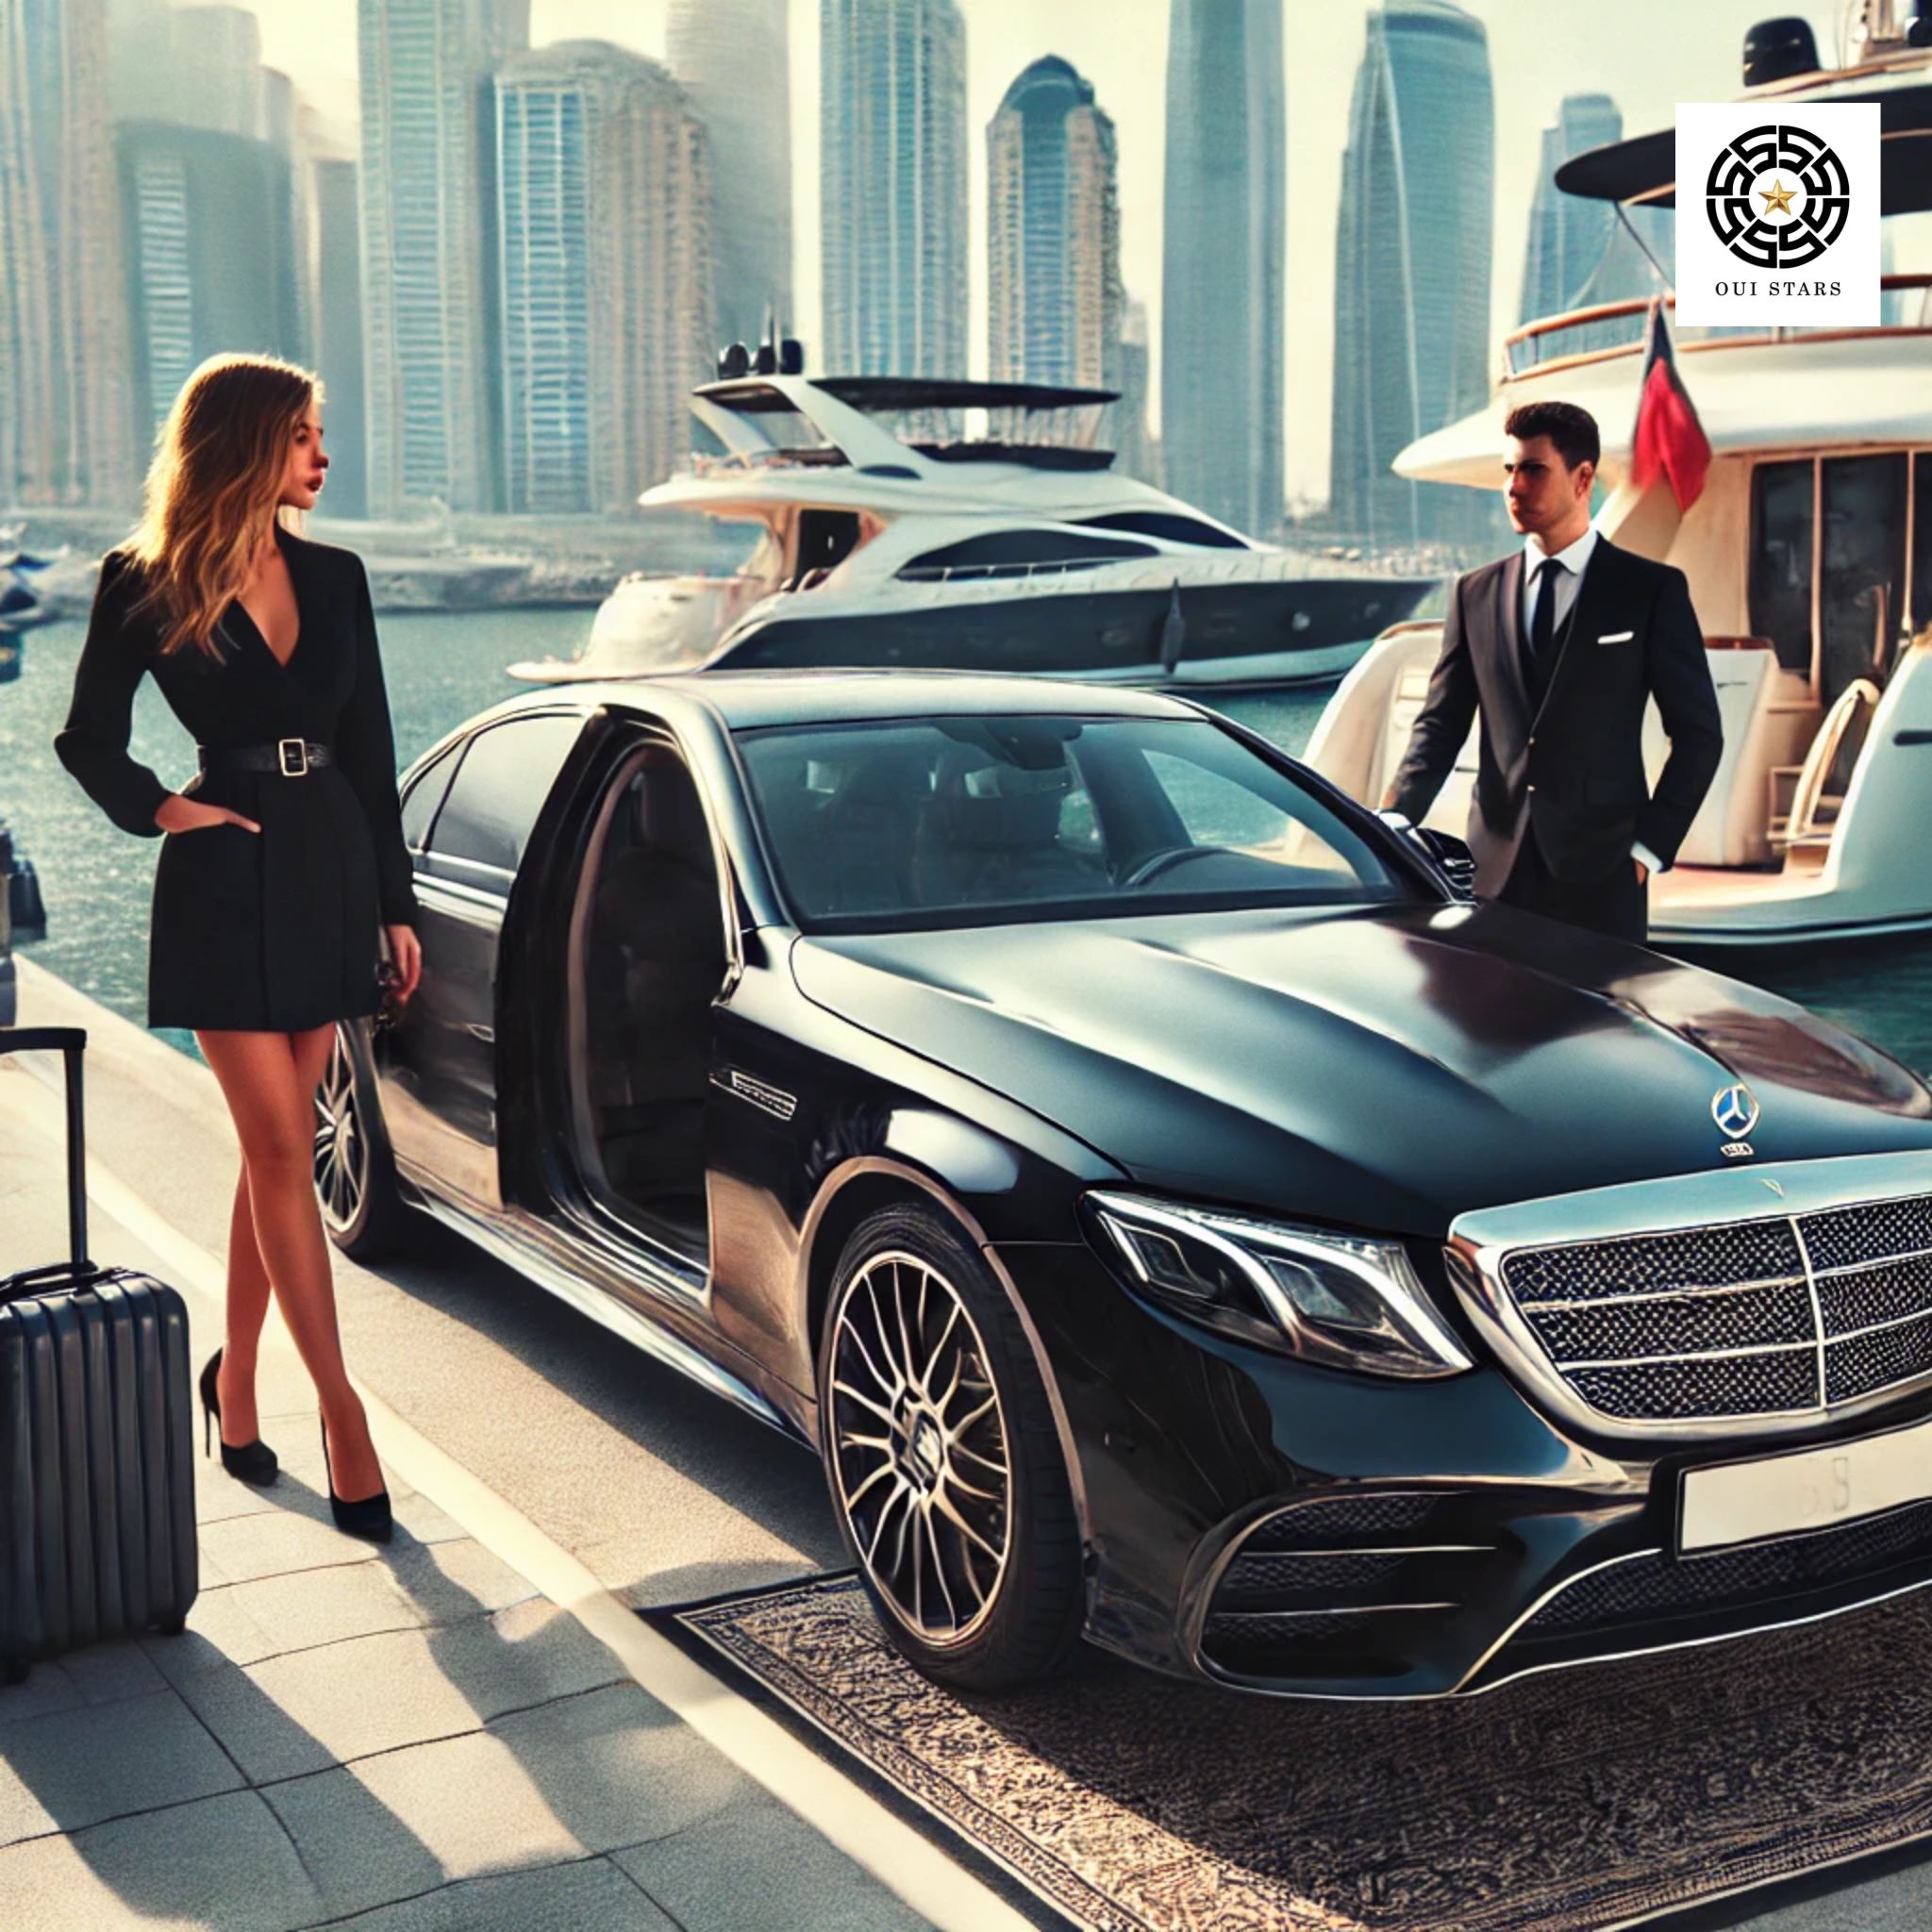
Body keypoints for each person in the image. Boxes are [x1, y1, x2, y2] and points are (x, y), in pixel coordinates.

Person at [53, 353, 423, 1542]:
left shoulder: (339, 573)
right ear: (252, 443)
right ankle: (343, 1412)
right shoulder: (143, 580)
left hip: (330, 867)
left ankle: (238, 1380)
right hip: (221, 872)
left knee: (273, 1157)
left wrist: (396, 905)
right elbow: (86, 739)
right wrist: (163, 805)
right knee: (278, 1149)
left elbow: (370, 747)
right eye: (308, 435)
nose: (325, 455)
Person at [1380, 399, 1722, 944]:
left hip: (1604, 877)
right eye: (1509, 471)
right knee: (1495, 1028)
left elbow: (1700, 735)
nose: (1515, 487)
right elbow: (1440, 726)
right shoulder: (1474, 594)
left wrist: (1648, 849)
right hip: (1495, 875)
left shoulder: (1649, 591)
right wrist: (1395, 820)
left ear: (1583, 478)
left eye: (1533, 470)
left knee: (1597, 1028)